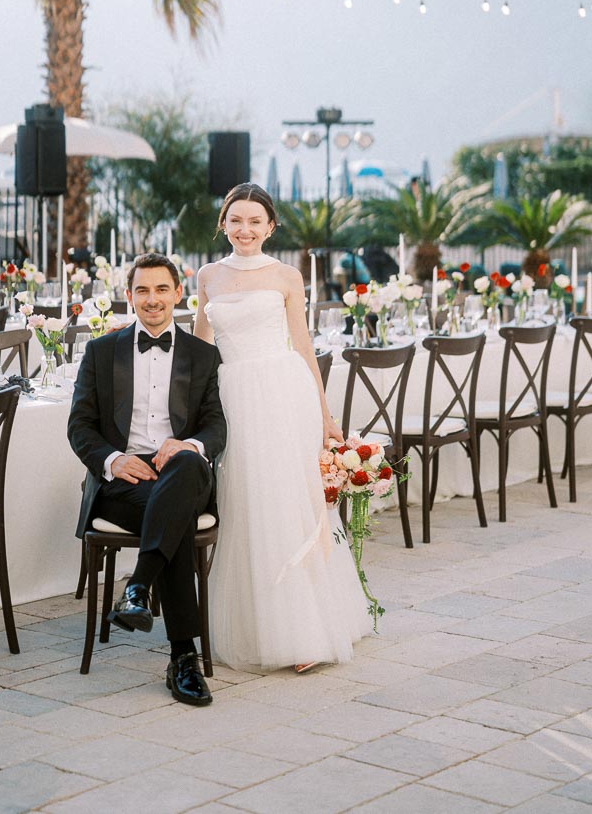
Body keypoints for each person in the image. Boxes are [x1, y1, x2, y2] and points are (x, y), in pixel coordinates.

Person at [194, 183, 370, 672]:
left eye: (255, 221)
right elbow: (200, 349)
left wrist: (326, 415)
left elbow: (304, 347)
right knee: (245, 502)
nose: (245, 230)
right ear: (224, 224)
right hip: (231, 396)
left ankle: (306, 630)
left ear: (270, 227)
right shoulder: (208, 275)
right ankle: (255, 624)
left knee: (288, 501)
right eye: (236, 220)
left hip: (281, 392)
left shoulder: (287, 276)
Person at [68, 252, 226, 706]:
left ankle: (138, 586)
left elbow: (216, 427)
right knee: (171, 515)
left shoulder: (203, 355)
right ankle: (183, 659)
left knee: (185, 470)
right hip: (122, 485)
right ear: (128, 295)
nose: (152, 299)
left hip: (181, 470)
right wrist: (113, 459)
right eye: (142, 290)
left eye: (162, 289)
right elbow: (79, 427)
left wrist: (190, 445)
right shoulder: (101, 351)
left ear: (179, 293)